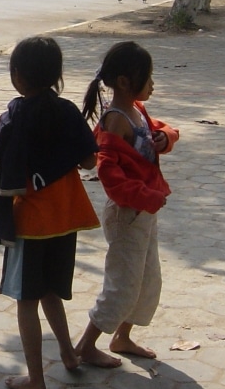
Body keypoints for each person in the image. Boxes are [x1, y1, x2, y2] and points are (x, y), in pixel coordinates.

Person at [0, 36, 99, 389]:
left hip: (30, 224)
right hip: (67, 218)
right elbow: (88, 160)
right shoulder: (67, 110)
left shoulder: (12, 117)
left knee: (26, 302)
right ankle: (67, 353)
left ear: (17, 75)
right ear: (56, 75)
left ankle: (36, 379)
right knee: (52, 290)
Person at [75, 41, 179, 368]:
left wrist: (166, 137)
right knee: (123, 284)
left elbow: (153, 132)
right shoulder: (115, 119)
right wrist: (143, 196)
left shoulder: (136, 109)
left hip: (144, 213)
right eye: (147, 78)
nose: (152, 84)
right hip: (127, 214)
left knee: (148, 279)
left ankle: (123, 335)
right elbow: (108, 172)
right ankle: (86, 346)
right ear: (124, 81)